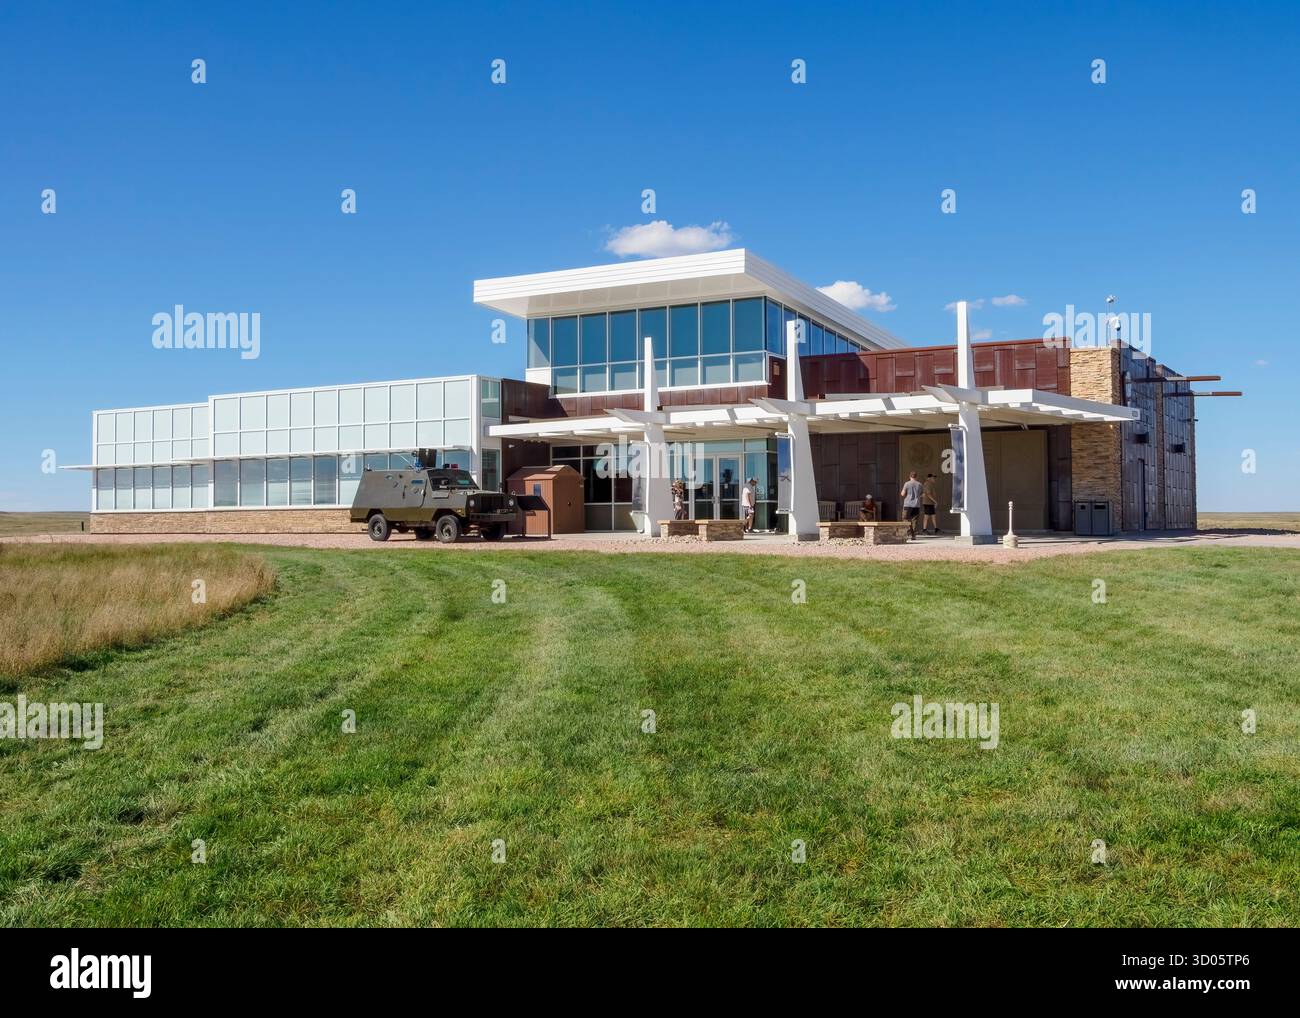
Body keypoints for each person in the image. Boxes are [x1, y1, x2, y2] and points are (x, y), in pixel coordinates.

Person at [900, 471, 924, 539]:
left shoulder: (907, 484)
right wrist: (917, 496)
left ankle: (909, 532)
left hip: (907, 504)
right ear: (916, 477)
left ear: (910, 476)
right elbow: (923, 494)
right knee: (914, 520)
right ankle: (913, 535)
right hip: (916, 505)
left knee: (905, 518)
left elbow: (902, 494)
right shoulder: (920, 484)